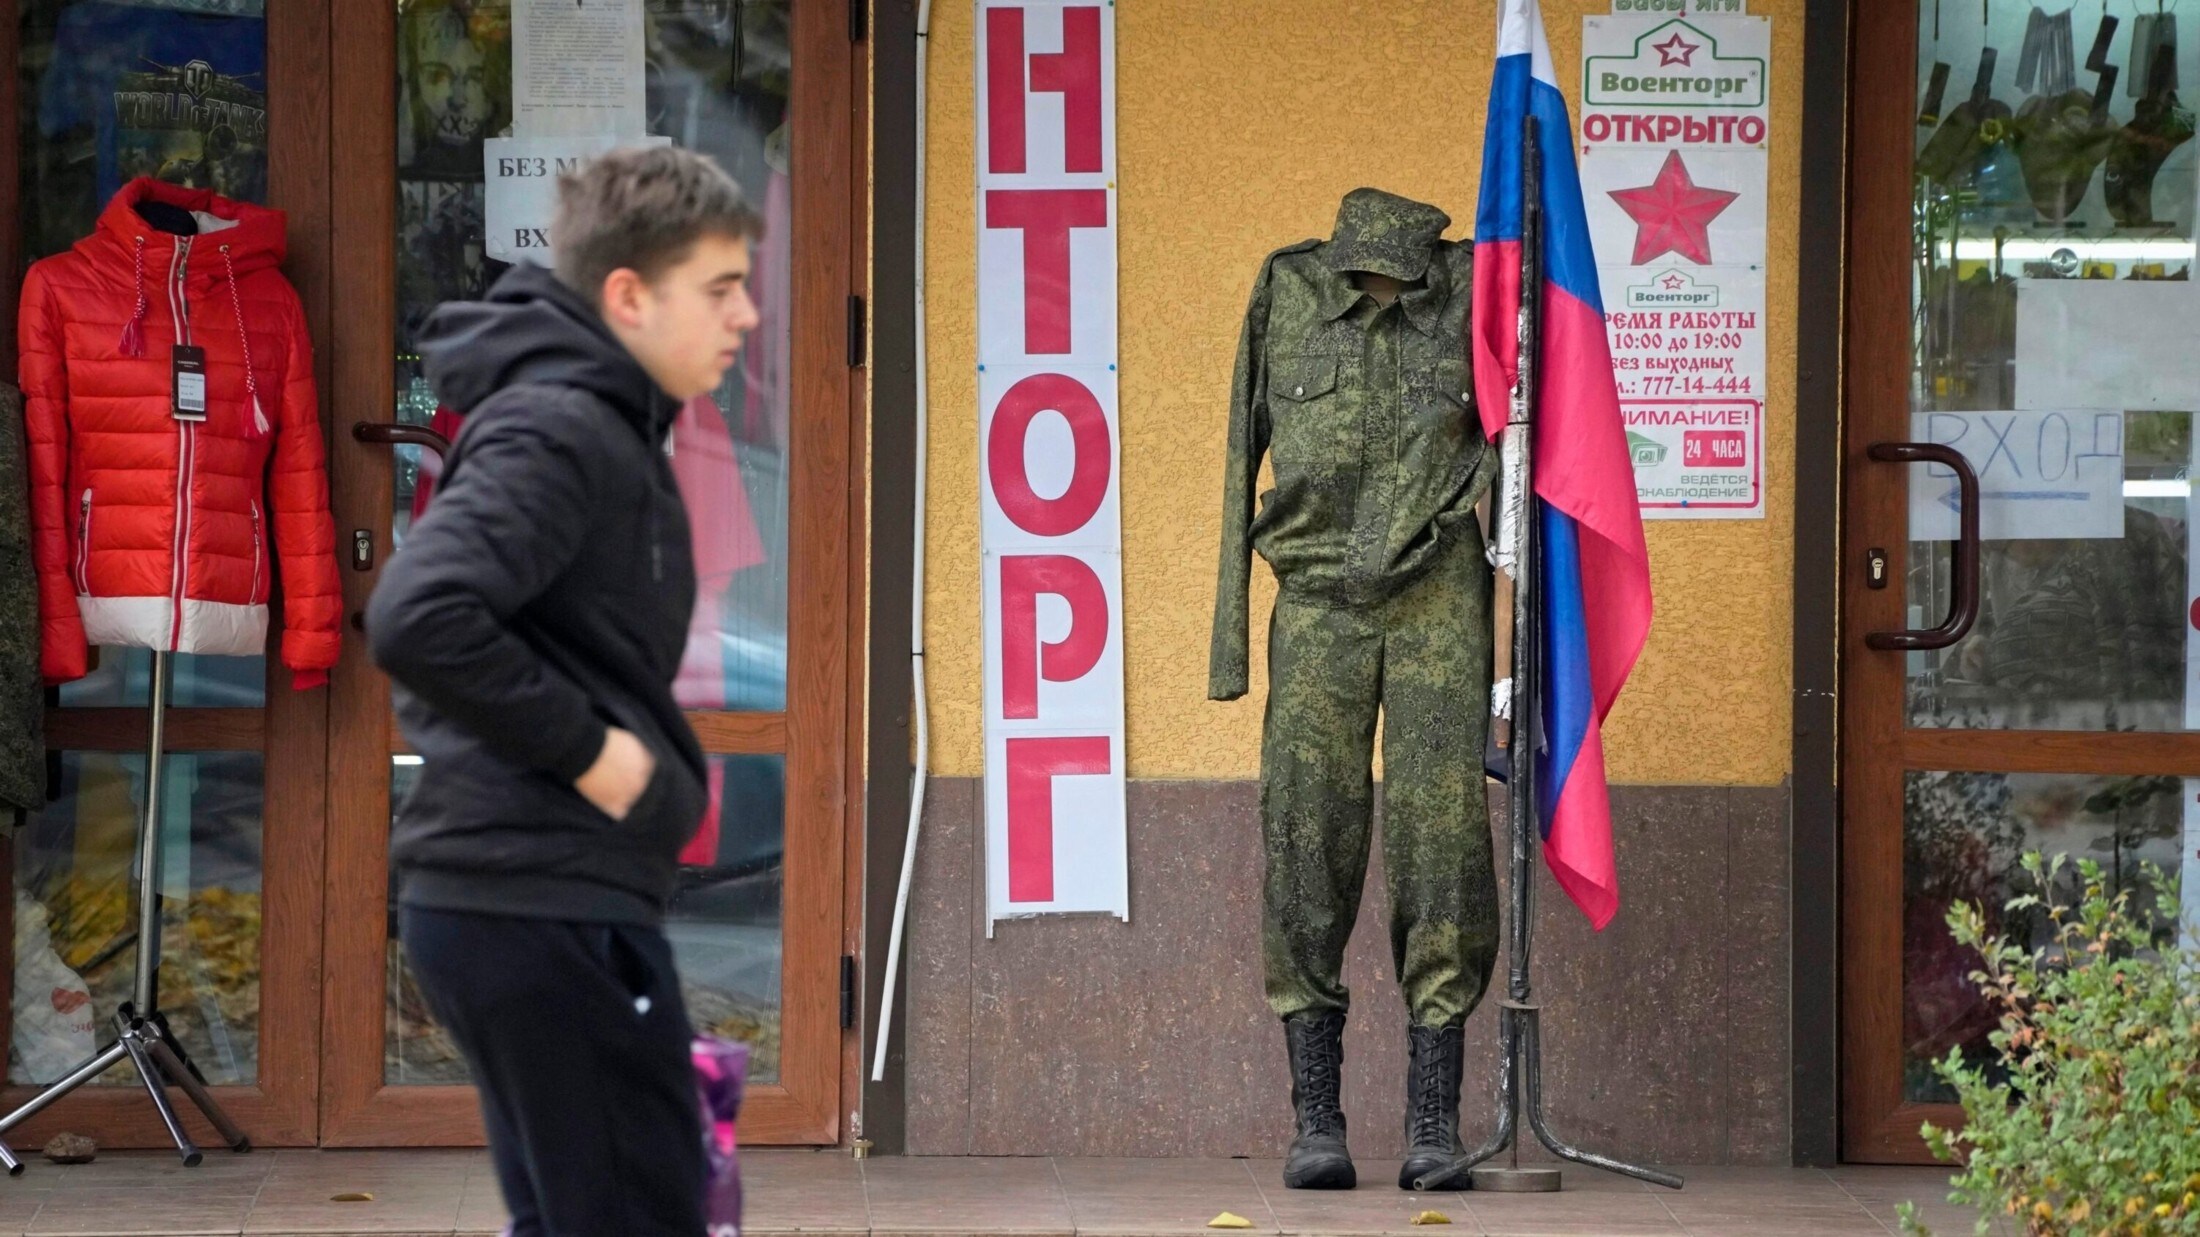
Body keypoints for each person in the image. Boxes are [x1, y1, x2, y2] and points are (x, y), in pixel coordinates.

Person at [366, 145, 761, 1237]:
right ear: (628, 294)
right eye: (720, 290)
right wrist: (596, 751)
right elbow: (418, 615)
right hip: (536, 898)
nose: (746, 320)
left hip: (537, 899)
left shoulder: (600, 421)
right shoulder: (561, 427)